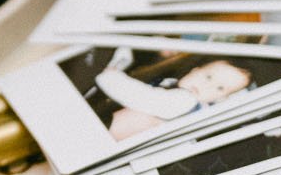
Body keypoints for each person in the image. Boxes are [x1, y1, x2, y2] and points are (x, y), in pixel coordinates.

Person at [98, 56, 255, 140]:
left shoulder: (186, 100)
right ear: (195, 70)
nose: (207, 86)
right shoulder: (178, 89)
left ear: (221, 98)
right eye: (208, 77)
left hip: (107, 136)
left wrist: (110, 76)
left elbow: (142, 97)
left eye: (220, 88)